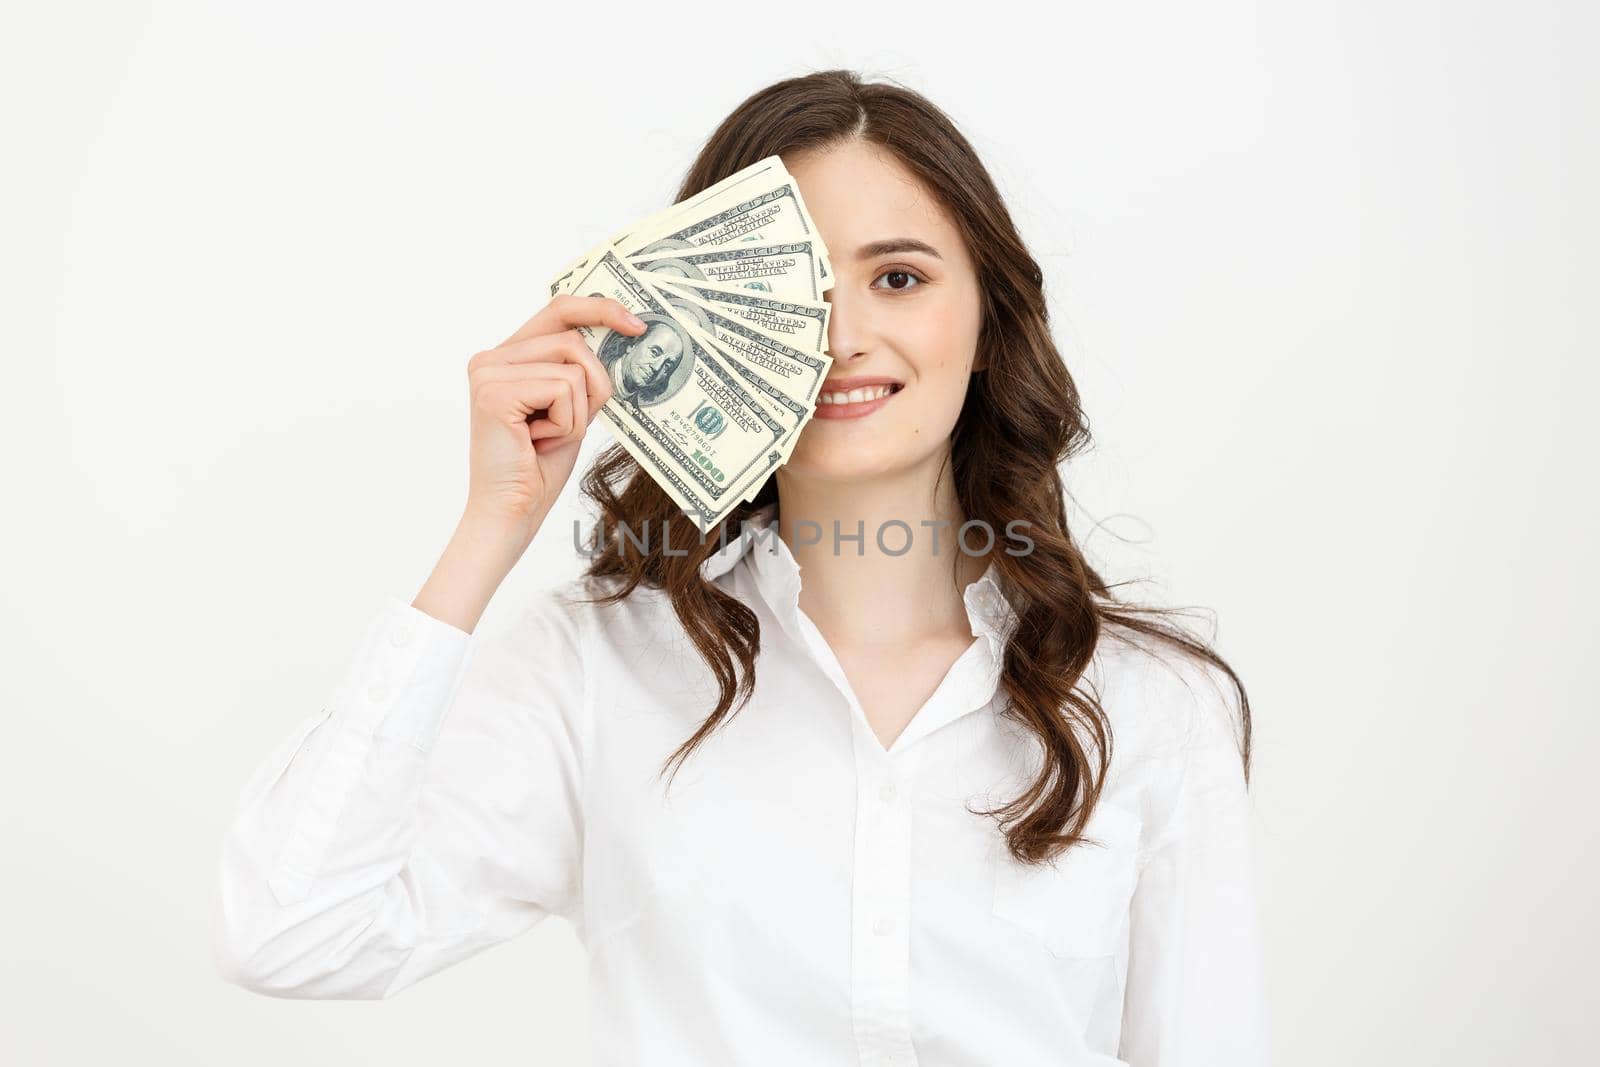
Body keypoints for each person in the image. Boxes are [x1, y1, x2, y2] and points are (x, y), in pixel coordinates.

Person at [213, 69, 1269, 1066]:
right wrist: (493, 523)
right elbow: (295, 931)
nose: (842, 336)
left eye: (897, 277)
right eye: (800, 286)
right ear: (709, 314)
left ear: (987, 320)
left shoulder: (1148, 702)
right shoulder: (598, 665)